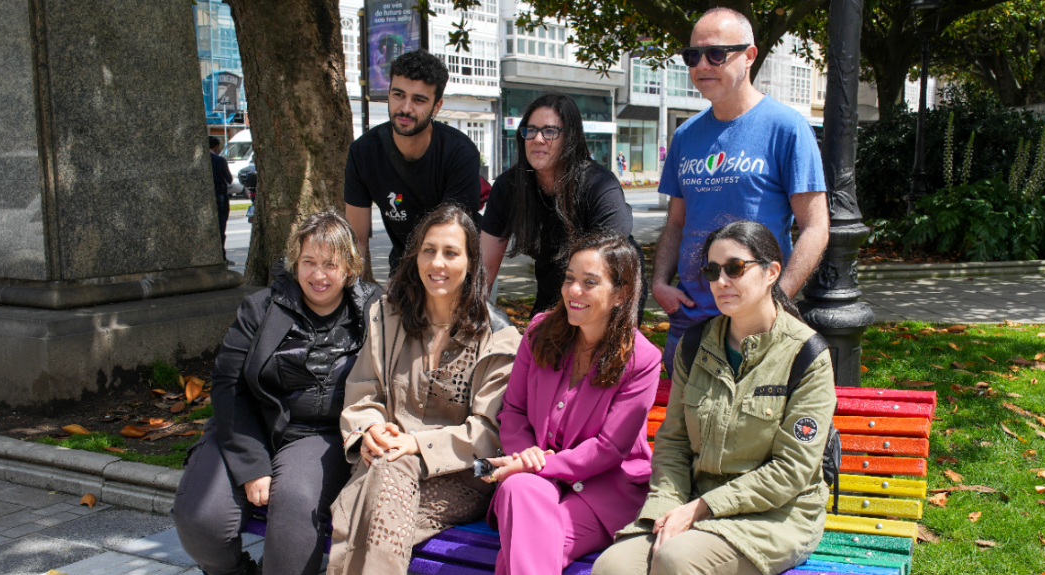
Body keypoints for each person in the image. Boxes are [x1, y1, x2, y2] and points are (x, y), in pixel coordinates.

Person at [592, 220, 837, 575]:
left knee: (675, 561)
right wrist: (668, 508)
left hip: (774, 516)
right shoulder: (694, 345)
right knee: (612, 568)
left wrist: (703, 508)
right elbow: (673, 443)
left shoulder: (806, 355)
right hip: (692, 504)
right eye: (712, 270)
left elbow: (791, 470)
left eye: (735, 268)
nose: (721, 282)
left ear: (772, 273)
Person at [172, 211, 382, 575]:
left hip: (319, 435)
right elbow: (227, 385)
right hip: (250, 424)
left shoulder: (375, 309)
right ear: (294, 263)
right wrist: (252, 465)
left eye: (331, 264)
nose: (318, 275)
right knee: (201, 518)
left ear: (350, 268)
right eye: (308, 262)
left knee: (295, 505)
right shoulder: (260, 308)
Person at [328, 203, 521, 575]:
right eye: (429, 250)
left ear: (471, 262)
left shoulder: (498, 336)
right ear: (415, 256)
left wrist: (414, 445)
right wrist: (370, 429)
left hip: (461, 476)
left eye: (451, 253)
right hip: (385, 463)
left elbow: (488, 432)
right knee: (388, 472)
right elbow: (364, 391)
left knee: (365, 499)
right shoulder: (387, 317)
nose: (438, 263)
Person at [651, 7, 829, 376]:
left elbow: (815, 226)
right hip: (690, 318)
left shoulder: (787, 128)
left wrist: (777, 298)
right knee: (684, 427)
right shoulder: (686, 136)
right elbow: (676, 224)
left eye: (716, 54)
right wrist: (658, 283)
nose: (703, 65)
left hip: (754, 323)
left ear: (749, 55)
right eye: (692, 56)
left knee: (749, 427)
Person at [484, 231, 661, 575]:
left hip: (601, 494)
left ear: (621, 294)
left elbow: (609, 448)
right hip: (533, 482)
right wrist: (525, 456)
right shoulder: (539, 333)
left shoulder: (642, 359)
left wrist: (537, 465)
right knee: (520, 491)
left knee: (522, 547)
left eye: (590, 282)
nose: (573, 291)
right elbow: (515, 410)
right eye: (569, 279)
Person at [480, 93, 645, 317]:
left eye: (550, 131)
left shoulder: (599, 186)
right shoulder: (509, 185)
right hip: (551, 290)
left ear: (570, 139)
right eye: (531, 130)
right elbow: (485, 269)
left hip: (605, 296)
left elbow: (605, 269)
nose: (538, 139)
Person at [344, 50, 481, 276]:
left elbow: (451, 241)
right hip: (402, 273)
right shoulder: (363, 153)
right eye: (398, 94)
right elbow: (356, 241)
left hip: (451, 273)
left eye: (419, 100)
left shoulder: (459, 153)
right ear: (388, 94)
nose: (406, 108)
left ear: (436, 107)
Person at [209, 136, 235, 264]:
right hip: (219, 194)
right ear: (216, 146)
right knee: (220, 227)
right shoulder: (219, 160)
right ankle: (221, 257)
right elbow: (229, 179)